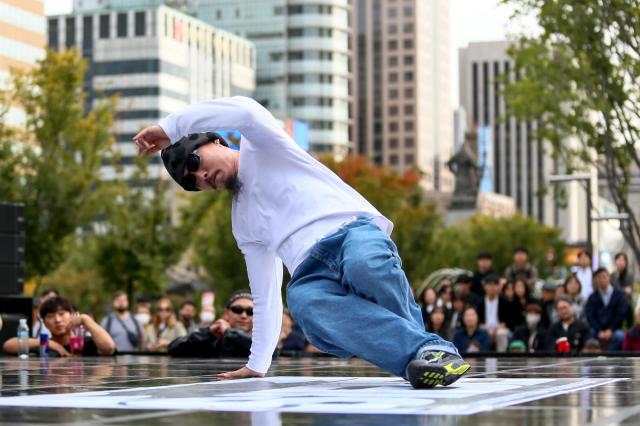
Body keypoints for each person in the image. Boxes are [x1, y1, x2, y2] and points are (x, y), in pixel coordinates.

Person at [134, 96, 469, 388]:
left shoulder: (262, 144)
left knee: (363, 265)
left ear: (218, 141)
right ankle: (426, 354)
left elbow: (245, 111)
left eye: (195, 163)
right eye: (191, 183)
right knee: (303, 300)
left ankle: (426, 351)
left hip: (351, 233)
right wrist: (257, 364)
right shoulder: (243, 223)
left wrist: (170, 128)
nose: (201, 176)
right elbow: (265, 292)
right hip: (311, 273)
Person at [3, 296, 115, 357]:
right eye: (50, 316)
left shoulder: (87, 343)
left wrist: (85, 319)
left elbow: (109, 348)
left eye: (62, 314)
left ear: (72, 315)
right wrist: (51, 343)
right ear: (44, 322)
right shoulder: (44, 346)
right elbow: (8, 346)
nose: (57, 320)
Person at [169, 291, 253, 358]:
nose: (244, 315)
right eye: (237, 309)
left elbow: (259, 348)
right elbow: (173, 349)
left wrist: (229, 331)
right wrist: (207, 333)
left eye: (250, 311)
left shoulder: (262, 341)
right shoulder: (214, 339)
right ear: (226, 313)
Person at [585, 268, 629, 351]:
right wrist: (599, 331)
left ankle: (610, 356)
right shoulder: (592, 297)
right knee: (589, 335)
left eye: (604, 276)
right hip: (597, 330)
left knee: (619, 336)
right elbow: (590, 316)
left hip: (615, 329)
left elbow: (621, 314)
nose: (602, 279)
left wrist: (611, 330)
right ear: (596, 280)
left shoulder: (619, 295)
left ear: (609, 277)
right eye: (599, 277)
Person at [476, 274, 510, 351]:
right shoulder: (480, 303)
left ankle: (501, 357)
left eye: (495, 284)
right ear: (484, 286)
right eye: (489, 284)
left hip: (500, 328)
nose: (492, 287)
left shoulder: (504, 302)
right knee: (483, 333)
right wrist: (487, 329)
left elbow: (506, 321)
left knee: (501, 334)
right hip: (484, 328)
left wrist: (495, 330)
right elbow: (478, 321)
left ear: (499, 287)